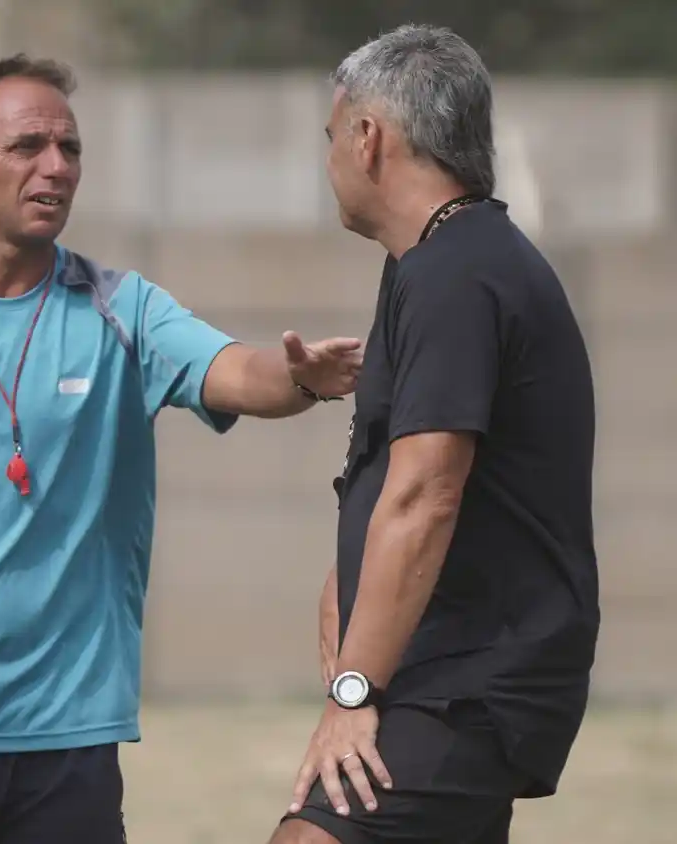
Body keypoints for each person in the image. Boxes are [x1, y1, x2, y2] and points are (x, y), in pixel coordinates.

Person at [0, 54, 363, 844]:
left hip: (64, 745)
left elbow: (239, 374)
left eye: (71, 149)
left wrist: (301, 379)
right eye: (27, 147)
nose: (55, 167)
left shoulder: (122, 312)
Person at [271, 24, 599, 844]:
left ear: (369, 137)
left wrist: (353, 693)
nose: (330, 162)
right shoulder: (434, 263)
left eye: (331, 138)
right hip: (446, 668)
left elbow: (427, 494)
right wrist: (349, 570)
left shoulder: (458, 272)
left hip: (466, 680)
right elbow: (400, 476)